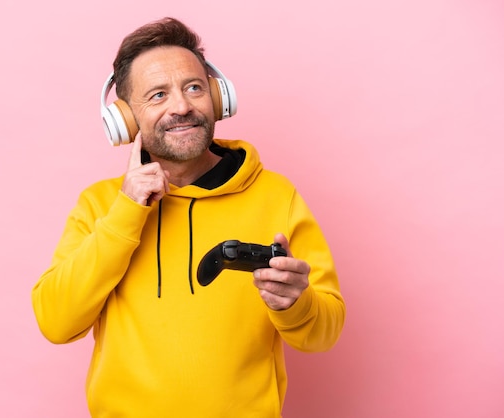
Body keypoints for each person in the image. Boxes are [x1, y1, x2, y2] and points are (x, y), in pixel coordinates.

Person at [32, 16, 345, 418]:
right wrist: (126, 213)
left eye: (194, 87)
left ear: (218, 96)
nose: (181, 106)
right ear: (125, 119)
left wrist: (295, 305)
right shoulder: (98, 205)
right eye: (158, 95)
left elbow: (325, 333)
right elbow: (56, 322)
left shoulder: (276, 195)